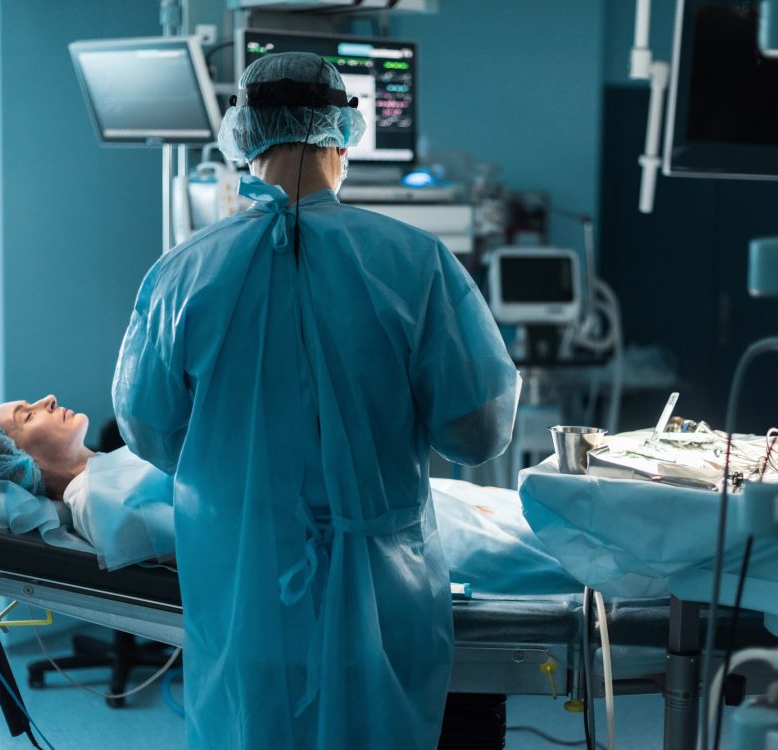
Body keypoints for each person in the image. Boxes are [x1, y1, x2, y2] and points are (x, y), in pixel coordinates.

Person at [113, 51, 520, 750]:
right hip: (381, 588)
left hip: (241, 579)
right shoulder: (416, 264)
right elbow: (478, 434)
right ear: (342, 133)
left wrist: (239, 453)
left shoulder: (183, 274)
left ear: (245, 135)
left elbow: (149, 431)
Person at [0, 395, 174, 570]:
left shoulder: (103, 474)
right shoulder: (95, 501)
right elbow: (200, 547)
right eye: (28, 416)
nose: (49, 399)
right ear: (21, 465)